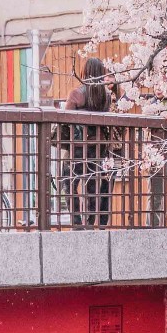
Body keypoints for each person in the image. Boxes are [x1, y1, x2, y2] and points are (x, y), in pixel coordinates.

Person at [63, 58, 119, 228]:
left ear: (85, 72)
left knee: (68, 182)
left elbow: (65, 119)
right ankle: (90, 222)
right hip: (98, 150)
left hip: (77, 149)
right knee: (92, 187)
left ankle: (77, 222)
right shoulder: (106, 97)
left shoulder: (76, 94)